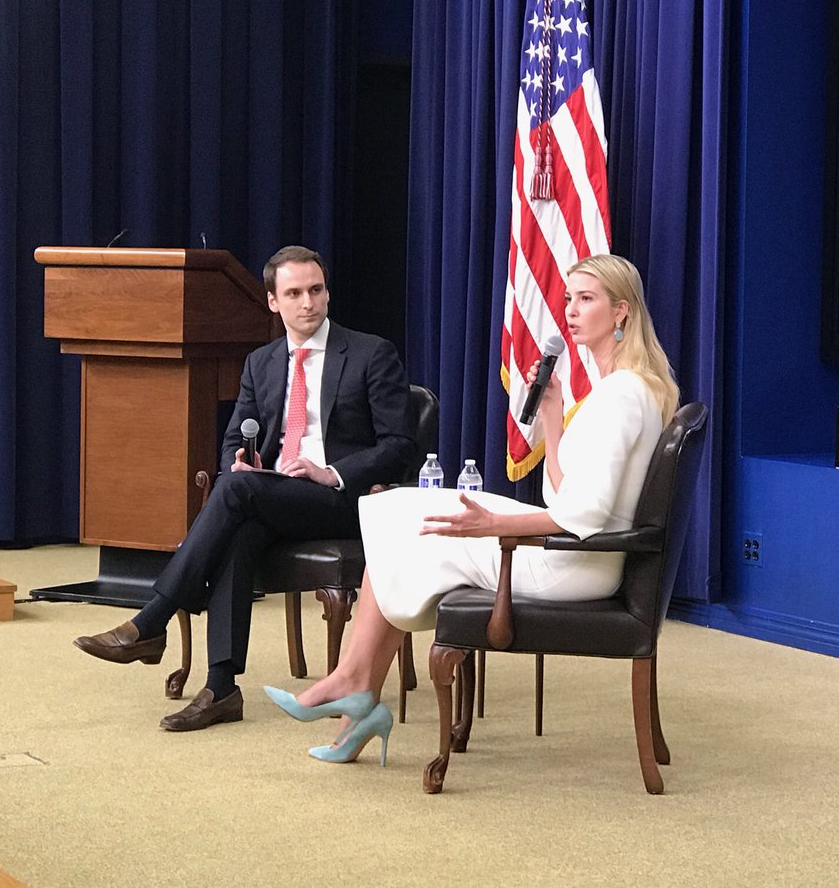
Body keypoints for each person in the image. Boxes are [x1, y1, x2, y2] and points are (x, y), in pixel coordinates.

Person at [263, 253, 678, 764]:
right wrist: (551, 413)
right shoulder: (622, 388)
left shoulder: (621, 396)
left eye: (586, 299)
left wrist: (491, 524)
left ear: (621, 313)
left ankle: (355, 688)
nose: (570, 310)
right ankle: (357, 697)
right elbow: (567, 496)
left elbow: (584, 520)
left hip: (573, 565)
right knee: (402, 513)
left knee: (414, 532)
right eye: (568, 298)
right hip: (578, 554)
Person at [74, 245, 416, 731]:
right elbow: (235, 438)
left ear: (327, 293)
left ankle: (152, 619)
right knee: (238, 517)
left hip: (343, 498)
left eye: (316, 290)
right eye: (294, 293)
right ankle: (220, 688)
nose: (308, 303)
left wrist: (331, 472)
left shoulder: (368, 353)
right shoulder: (261, 362)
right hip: (275, 495)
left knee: (236, 494)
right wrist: (239, 461)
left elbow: (400, 445)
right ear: (273, 301)